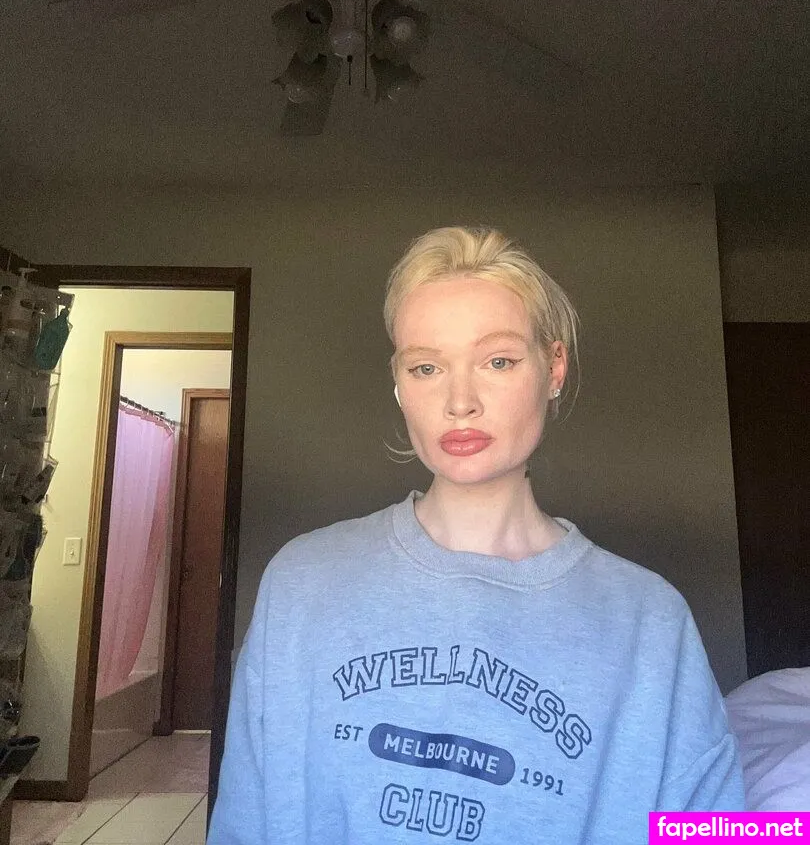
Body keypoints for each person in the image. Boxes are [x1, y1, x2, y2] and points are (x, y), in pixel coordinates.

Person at [207, 225, 745, 844]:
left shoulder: (651, 622)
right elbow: (243, 823)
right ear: (399, 384)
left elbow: (720, 830)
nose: (459, 401)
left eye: (498, 361)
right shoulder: (302, 582)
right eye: (426, 367)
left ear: (554, 367)